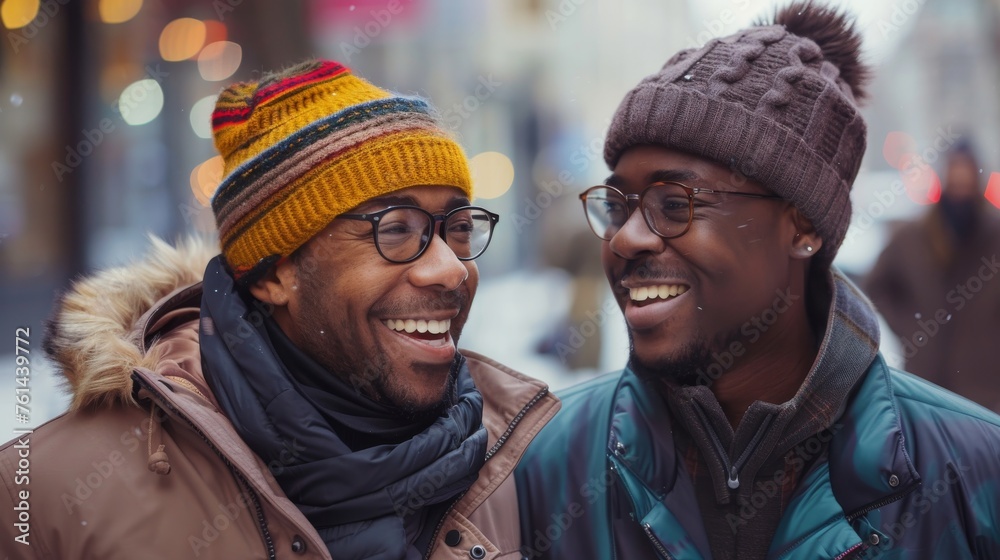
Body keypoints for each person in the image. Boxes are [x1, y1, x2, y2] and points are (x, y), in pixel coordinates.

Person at [0, 60, 559, 560]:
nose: (450, 268)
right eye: (396, 229)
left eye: (457, 228)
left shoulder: (538, 462)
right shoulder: (44, 496)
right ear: (272, 275)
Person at [514, 2, 1000, 559]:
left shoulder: (974, 474)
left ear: (803, 227)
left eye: (674, 203)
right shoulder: (543, 463)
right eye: (618, 206)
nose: (625, 240)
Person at [865, 141, 1000, 412]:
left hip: (985, 386)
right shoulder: (912, 236)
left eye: (967, 174)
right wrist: (908, 327)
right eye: (955, 173)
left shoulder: (994, 235)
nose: (961, 183)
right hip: (925, 384)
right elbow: (876, 284)